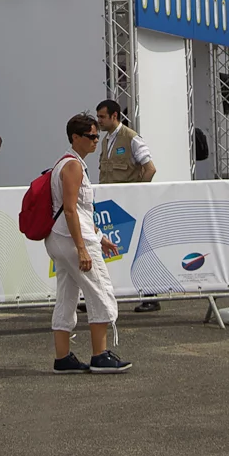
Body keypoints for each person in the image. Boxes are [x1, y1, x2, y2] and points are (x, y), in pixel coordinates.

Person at [46, 114, 131, 374]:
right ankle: (100, 355)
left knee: (67, 297)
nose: (96, 140)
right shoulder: (72, 166)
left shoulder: (67, 163)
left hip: (61, 239)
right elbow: (71, 211)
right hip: (72, 240)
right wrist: (83, 247)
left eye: (97, 136)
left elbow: (78, 212)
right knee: (100, 292)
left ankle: (63, 359)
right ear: (75, 137)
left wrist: (100, 237)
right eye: (91, 136)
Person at [95, 99, 159, 310]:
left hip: (130, 205)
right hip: (111, 205)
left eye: (102, 116)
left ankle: (150, 295)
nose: (99, 121)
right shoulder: (105, 141)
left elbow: (149, 168)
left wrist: (138, 192)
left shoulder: (131, 138)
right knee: (111, 252)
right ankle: (100, 295)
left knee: (138, 250)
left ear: (114, 116)